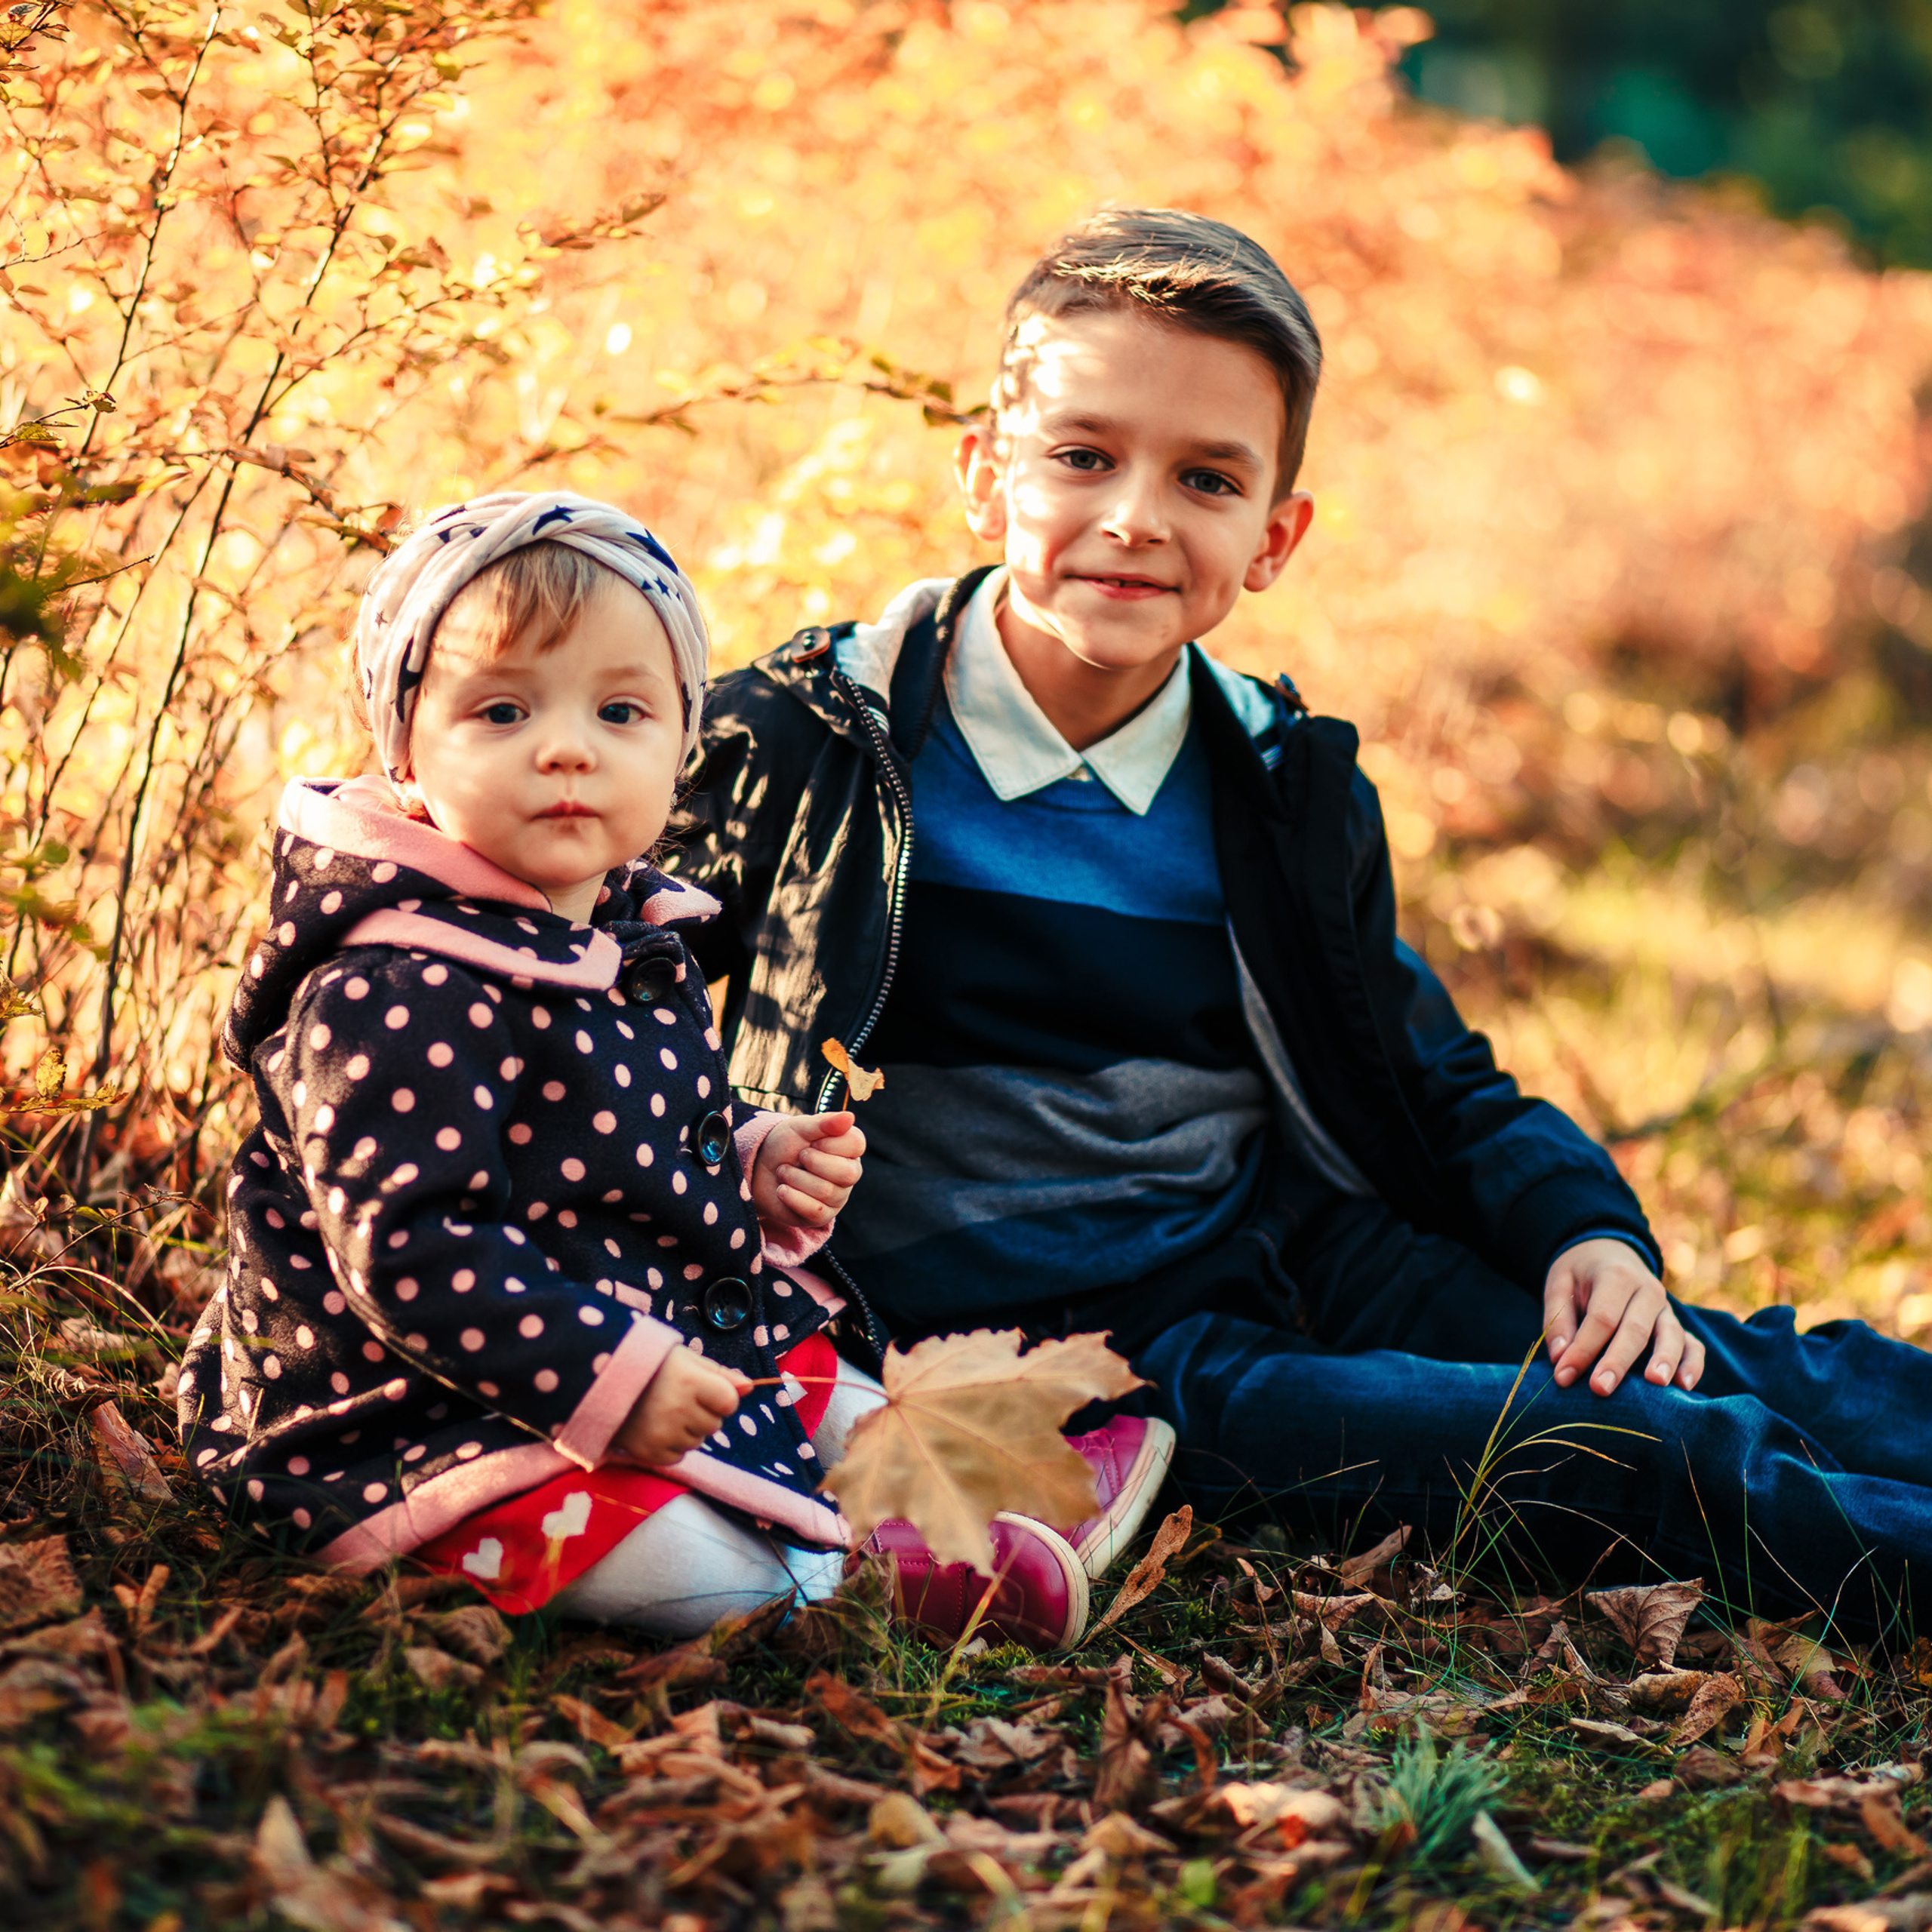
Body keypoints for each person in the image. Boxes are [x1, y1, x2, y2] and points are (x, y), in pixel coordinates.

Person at [669, 208, 1932, 1647]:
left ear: (1273, 537)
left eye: (1205, 478)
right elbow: (585, 991)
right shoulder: (805, 743)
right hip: (1091, 1371)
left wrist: (1586, 1227)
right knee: (1631, 1450)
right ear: (982, 474)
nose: (1137, 517)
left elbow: (1422, 1065)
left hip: (1292, 1246)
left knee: (1720, 1365)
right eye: (1082, 455)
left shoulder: (1279, 783)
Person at [179, 490, 1150, 1645]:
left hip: (619, 1315)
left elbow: (622, 1127)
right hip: (414, 1402)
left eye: (622, 710)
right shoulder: (393, 982)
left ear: (682, 744)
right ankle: (850, 1580)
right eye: (501, 710)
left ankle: (969, 1494)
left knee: (836, 1388)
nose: (567, 747)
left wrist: (750, 1156)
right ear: (406, 742)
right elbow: (409, 1247)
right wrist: (611, 1375)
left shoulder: (625, 925)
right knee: (704, 1571)